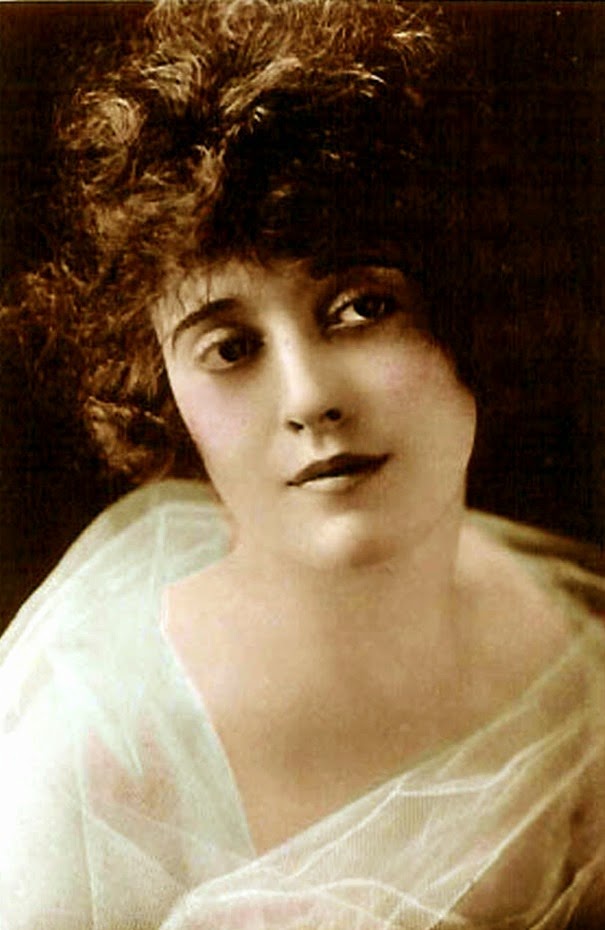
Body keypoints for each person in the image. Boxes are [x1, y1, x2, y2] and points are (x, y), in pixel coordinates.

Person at [0, 1, 604, 927]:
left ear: (469, 306)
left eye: (361, 307)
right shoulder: (96, 756)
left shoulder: (575, 635)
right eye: (229, 348)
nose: (308, 397)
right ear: (164, 390)